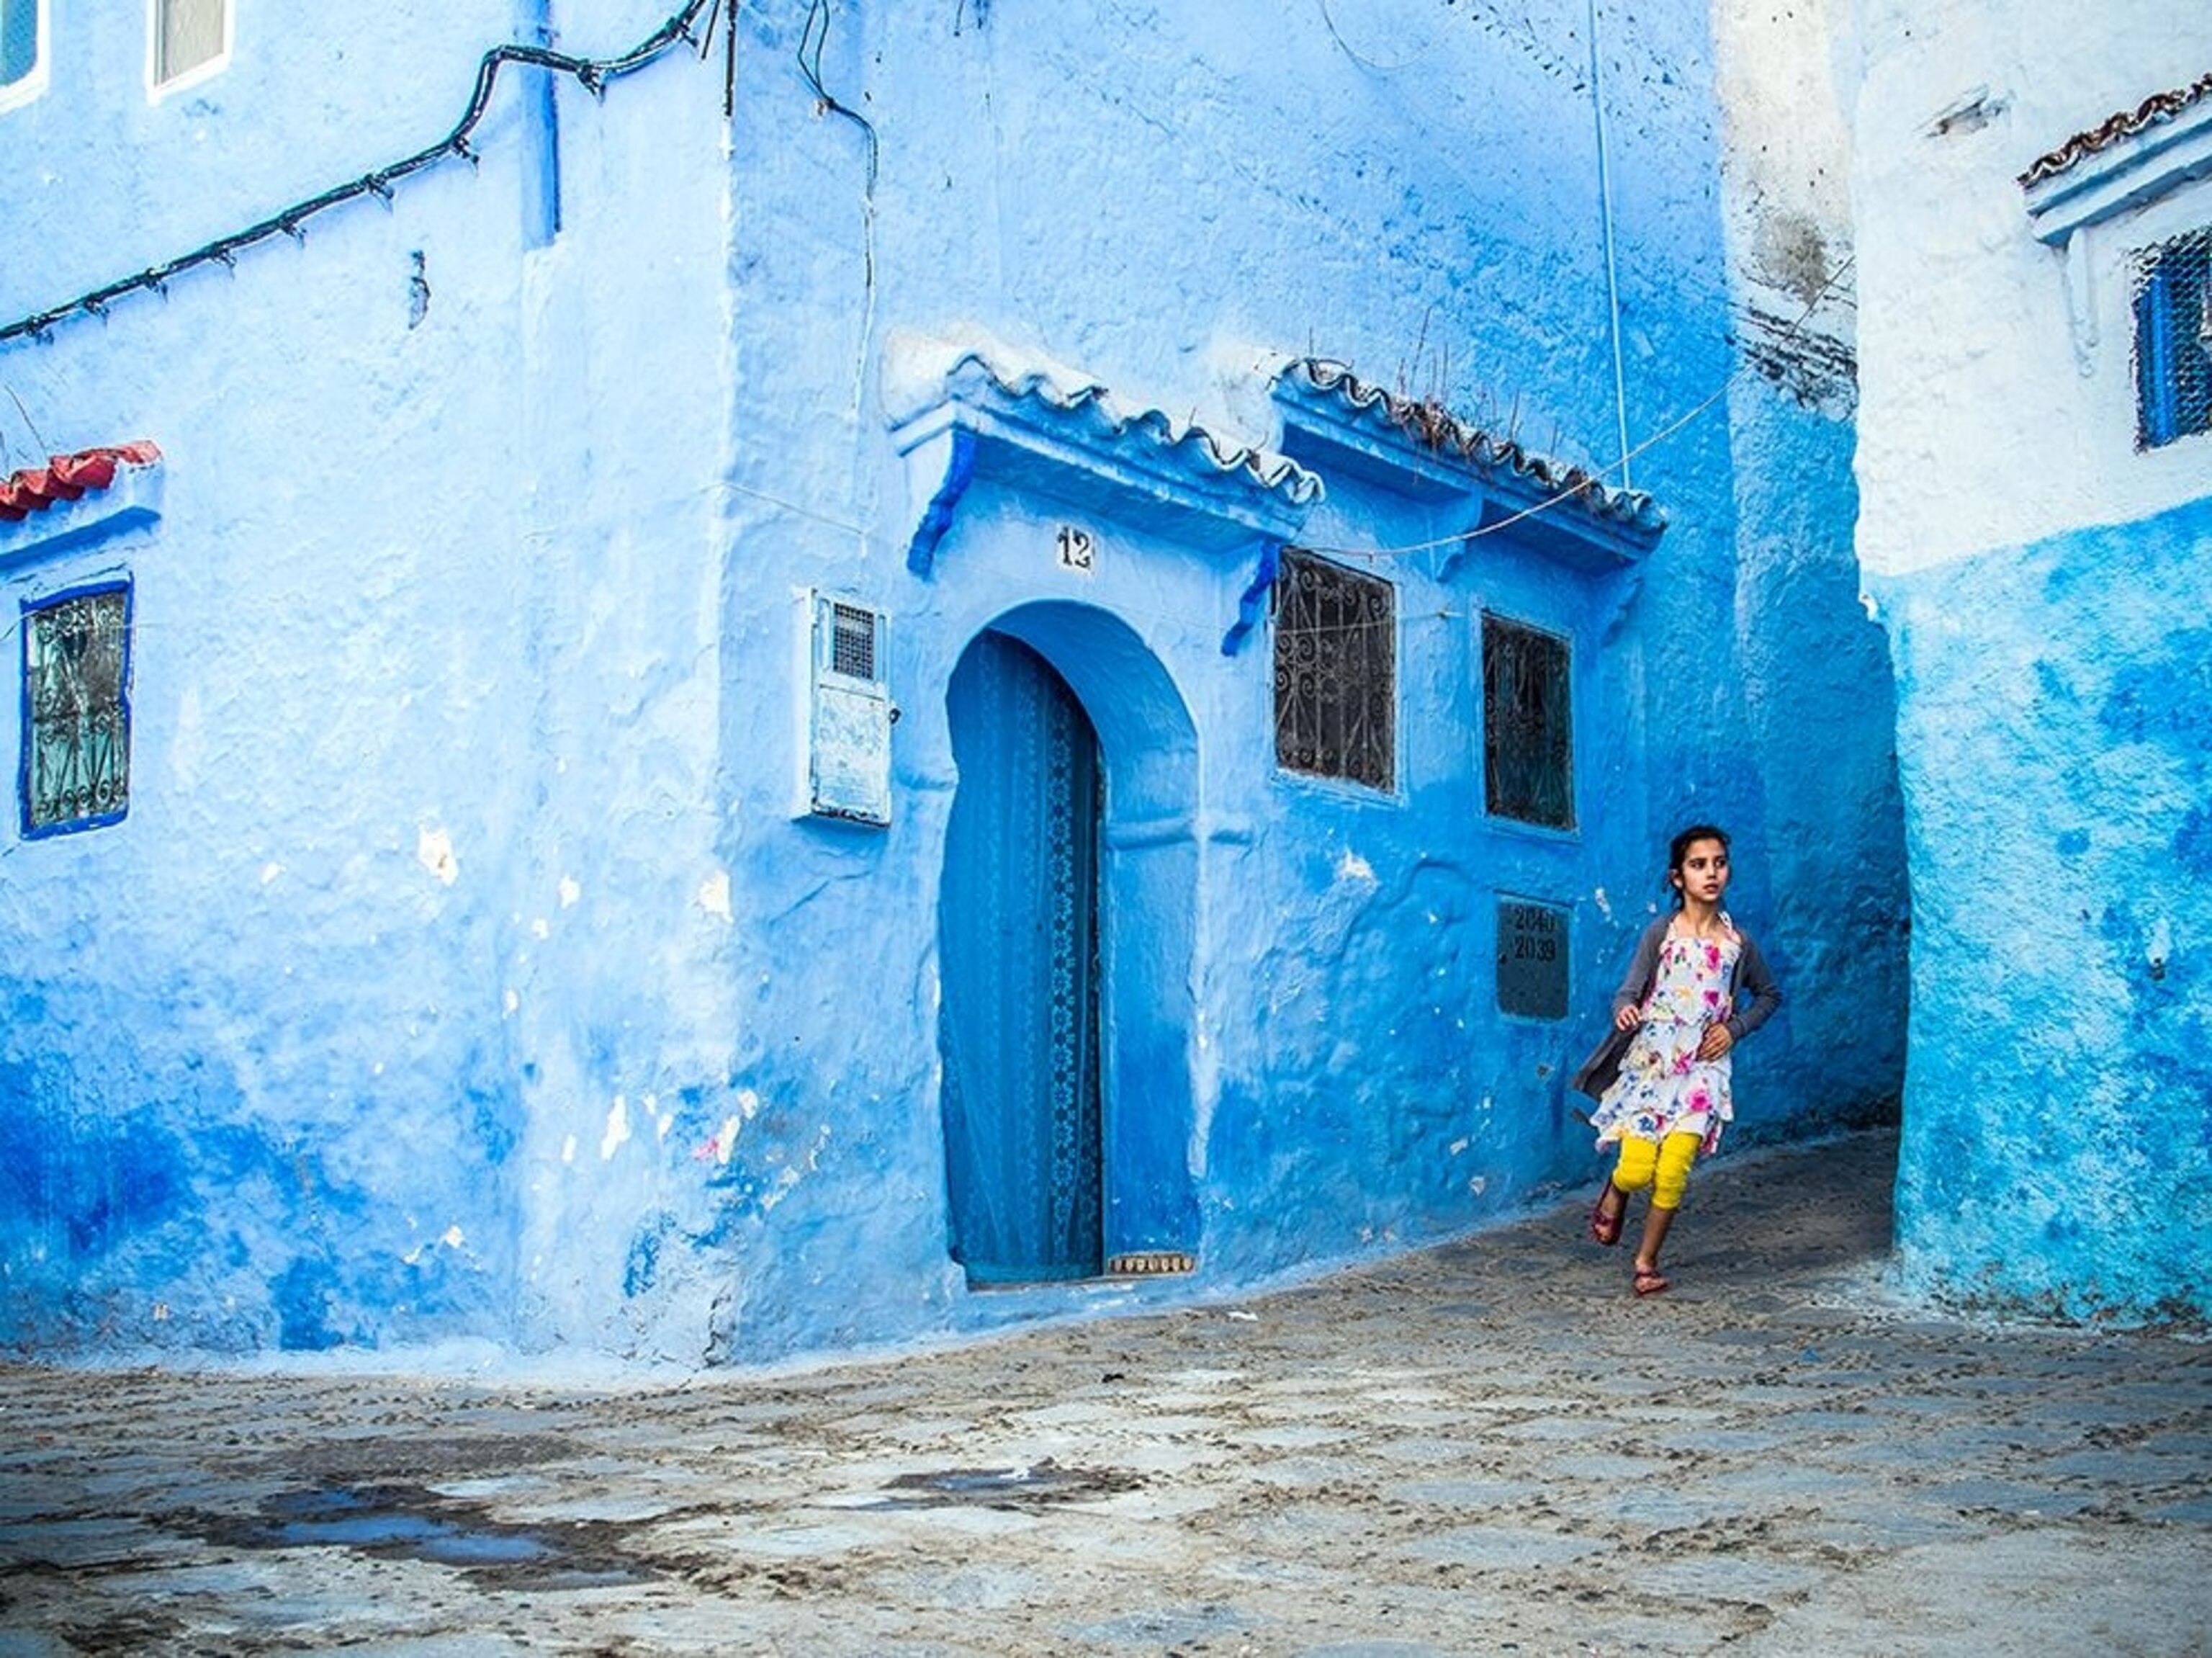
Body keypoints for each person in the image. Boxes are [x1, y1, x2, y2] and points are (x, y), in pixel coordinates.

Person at [1570, 824, 1782, 1296]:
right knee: (1638, 1169)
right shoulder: (1660, 934)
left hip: (1703, 1070)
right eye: (1698, 864)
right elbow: (1630, 988)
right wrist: (1625, 1009)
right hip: (1653, 1065)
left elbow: (1768, 996)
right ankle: (1618, 1189)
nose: (1711, 873)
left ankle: (1646, 1261)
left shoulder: (1739, 944)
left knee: (1673, 1170)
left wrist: (1734, 1028)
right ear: (1677, 877)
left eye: (1719, 863)